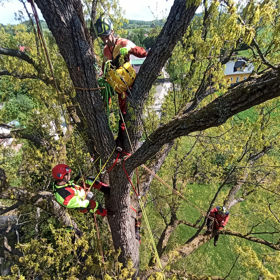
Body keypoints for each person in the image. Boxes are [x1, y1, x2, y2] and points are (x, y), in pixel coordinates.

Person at [94, 17, 147, 149]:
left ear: (112, 31)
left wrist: (130, 50)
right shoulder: (106, 51)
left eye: (106, 36)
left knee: (127, 114)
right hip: (120, 86)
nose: (105, 40)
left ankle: (125, 144)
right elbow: (104, 68)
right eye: (102, 38)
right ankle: (120, 143)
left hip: (131, 83)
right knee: (122, 114)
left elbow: (143, 53)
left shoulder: (124, 43)